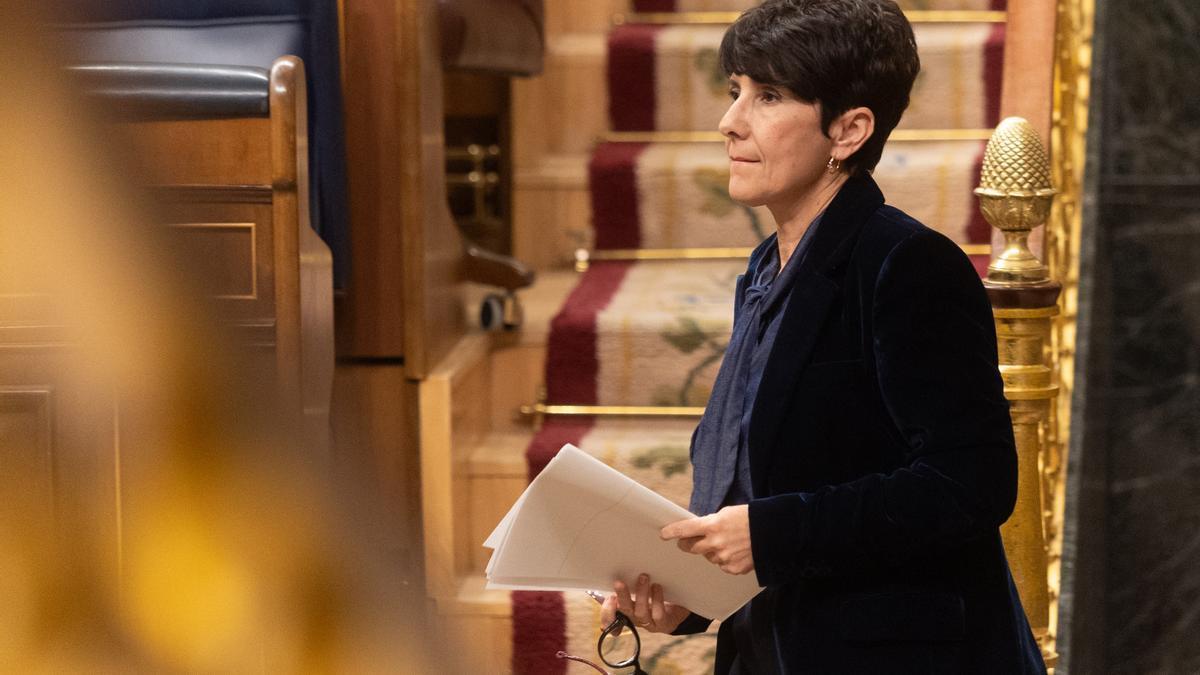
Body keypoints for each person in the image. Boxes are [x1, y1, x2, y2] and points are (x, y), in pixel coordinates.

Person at [599, 0, 1047, 672]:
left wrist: (775, 532)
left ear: (849, 130)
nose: (730, 121)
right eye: (735, 91)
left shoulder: (908, 264)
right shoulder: (765, 269)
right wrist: (685, 596)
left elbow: (972, 482)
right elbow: (758, 485)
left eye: (768, 96)